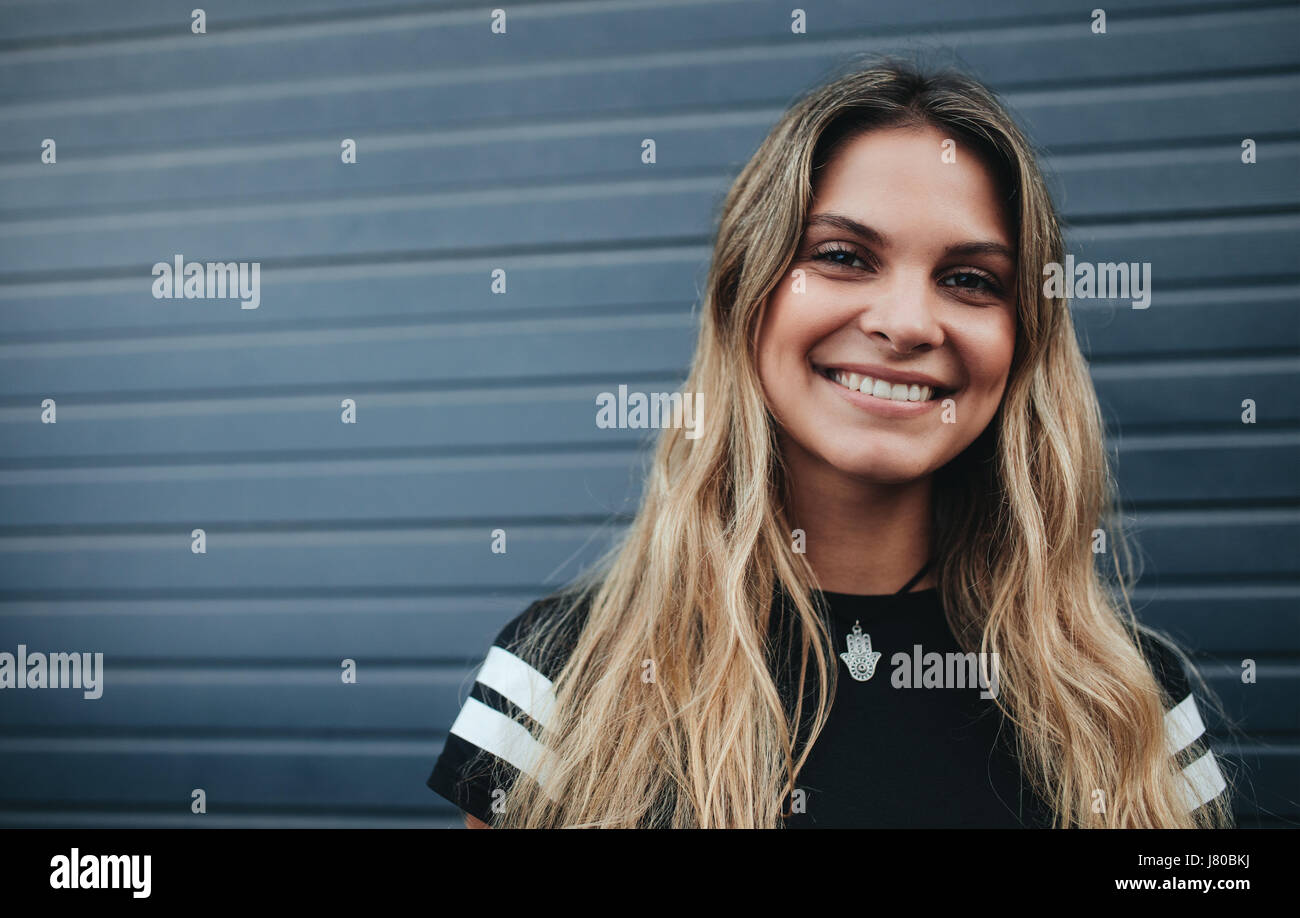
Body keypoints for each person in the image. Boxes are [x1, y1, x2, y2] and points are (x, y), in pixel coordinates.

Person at [426, 58, 1233, 828]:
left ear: (1023, 340)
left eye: (971, 279)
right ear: (750, 294)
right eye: (843, 257)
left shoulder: (1130, 705)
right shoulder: (564, 677)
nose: (908, 323)